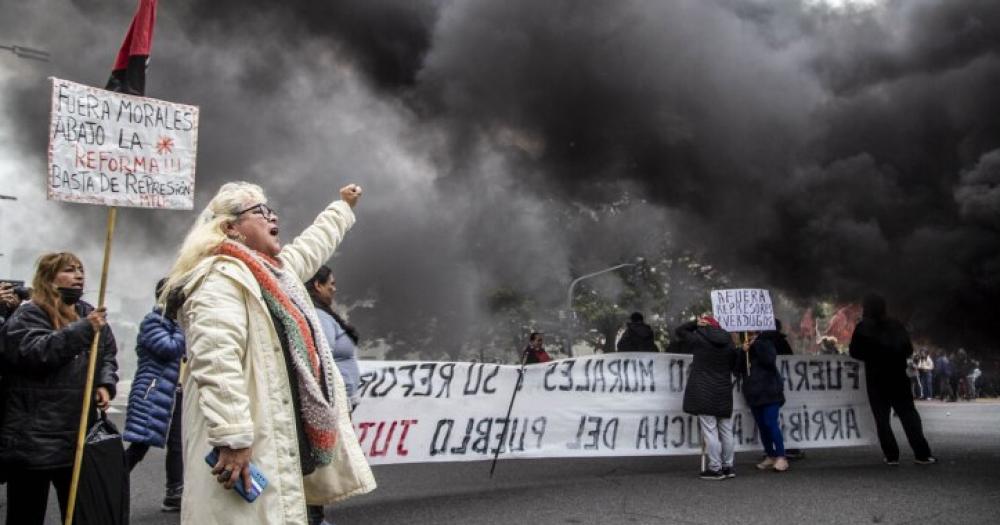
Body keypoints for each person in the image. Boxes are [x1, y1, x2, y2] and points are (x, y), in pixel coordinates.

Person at [161, 182, 376, 524]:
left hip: (272, 429)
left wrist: (342, 208)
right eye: (259, 211)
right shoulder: (220, 277)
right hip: (247, 437)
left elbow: (311, 246)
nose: (272, 215)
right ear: (231, 228)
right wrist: (232, 437)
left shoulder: (274, 275)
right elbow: (216, 361)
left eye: (270, 208)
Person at [0, 252, 119, 524]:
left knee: (79, 513)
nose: (79, 275)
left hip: (77, 437)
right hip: (33, 440)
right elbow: (35, 354)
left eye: (80, 269)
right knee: (25, 515)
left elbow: (107, 352)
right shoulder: (28, 314)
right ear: (49, 277)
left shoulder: (89, 313)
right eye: (69, 270)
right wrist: (82, 330)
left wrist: (104, 381)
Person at [305, 266, 363, 525]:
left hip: (336, 401)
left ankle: (315, 514)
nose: (334, 288)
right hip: (330, 403)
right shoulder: (319, 315)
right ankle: (313, 517)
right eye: (331, 283)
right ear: (317, 285)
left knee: (323, 458)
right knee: (321, 459)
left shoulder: (323, 314)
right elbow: (320, 359)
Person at [848, 294, 935, 466]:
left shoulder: (862, 327)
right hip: (897, 377)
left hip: (875, 379)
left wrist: (872, 356)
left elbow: (854, 352)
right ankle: (922, 454)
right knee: (909, 416)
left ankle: (891, 455)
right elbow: (908, 349)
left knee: (882, 419)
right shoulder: (896, 325)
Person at [123, 278, 186, 512]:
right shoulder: (153, 321)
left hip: (173, 392)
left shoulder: (171, 322)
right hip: (152, 390)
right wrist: (183, 328)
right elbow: (169, 348)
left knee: (176, 445)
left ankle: (174, 493)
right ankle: (112, 482)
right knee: (140, 443)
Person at [676, 315, 738, 480]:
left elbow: (679, 331)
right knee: (726, 429)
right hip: (723, 390)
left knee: (710, 430)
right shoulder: (729, 342)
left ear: (704, 326)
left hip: (703, 390)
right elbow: (734, 364)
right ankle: (728, 467)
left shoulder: (698, 339)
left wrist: (694, 323)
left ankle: (715, 468)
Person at [738, 332, 789, 472]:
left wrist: (757, 344)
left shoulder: (766, 342)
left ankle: (781, 457)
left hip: (770, 391)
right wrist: (742, 352)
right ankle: (770, 455)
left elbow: (769, 359)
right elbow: (737, 369)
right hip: (753, 393)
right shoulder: (745, 347)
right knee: (762, 425)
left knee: (770, 422)